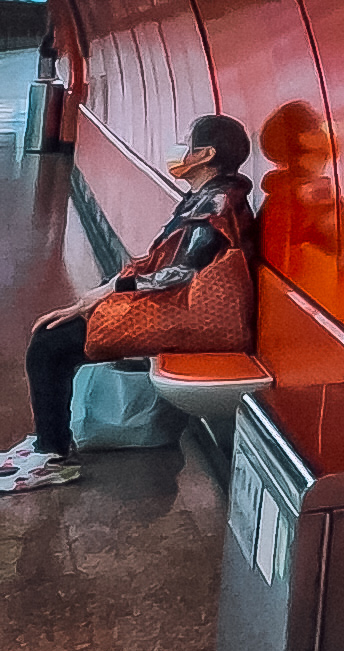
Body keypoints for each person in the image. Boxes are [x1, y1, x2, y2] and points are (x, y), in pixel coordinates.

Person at [3, 115, 254, 491]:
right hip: (181, 305)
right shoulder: (214, 196)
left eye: (186, 141)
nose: (178, 148)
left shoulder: (215, 206)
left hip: (190, 313)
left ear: (205, 155)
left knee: (50, 343)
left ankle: (52, 454)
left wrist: (110, 290)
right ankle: (49, 442)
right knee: (54, 333)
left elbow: (180, 273)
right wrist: (102, 293)